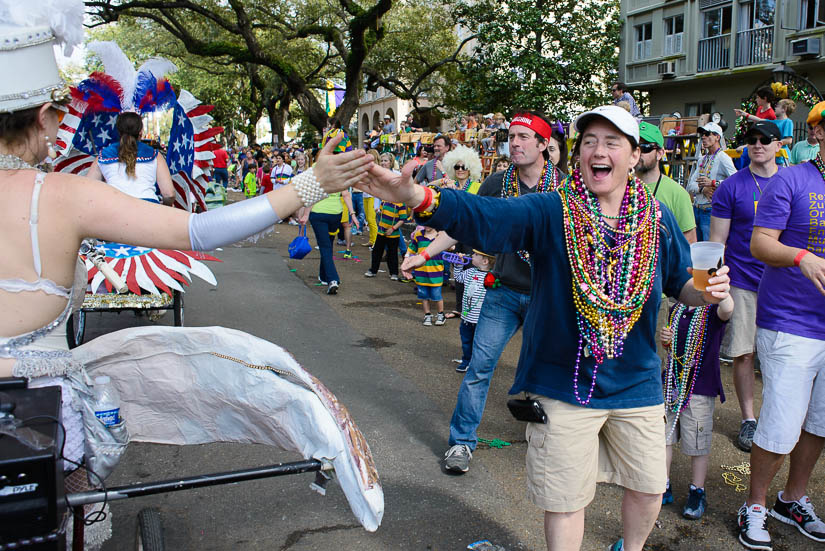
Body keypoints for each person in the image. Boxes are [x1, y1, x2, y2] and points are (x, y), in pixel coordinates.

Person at [0, 11, 375, 543]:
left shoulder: (78, 180)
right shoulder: (60, 197)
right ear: (41, 116)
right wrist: (308, 186)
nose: (59, 129)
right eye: (57, 117)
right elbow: (199, 230)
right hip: (40, 422)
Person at [355, 104, 732, 551]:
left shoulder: (659, 220)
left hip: (637, 381)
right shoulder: (553, 211)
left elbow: (681, 284)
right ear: (576, 155)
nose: (598, 150)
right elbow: (490, 219)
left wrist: (704, 292)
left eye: (612, 142)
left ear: (634, 156)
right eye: (589, 141)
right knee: (566, 499)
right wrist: (419, 198)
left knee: (650, 486)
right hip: (564, 381)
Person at [400, 110, 563, 474]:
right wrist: (424, 253)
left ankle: (552, 447)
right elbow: (461, 224)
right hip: (502, 293)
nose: (515, 143)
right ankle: (461, 443)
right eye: (512, 136)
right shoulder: (496, 183)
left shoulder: (565, 189)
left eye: (524, 137)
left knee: (547, 375)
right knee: (479, 367)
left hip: (546, 297)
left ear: (543, 144)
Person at [737, 101, 825, 551]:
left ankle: (792, 500)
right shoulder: (794, 179)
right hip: (791, 320)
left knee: (820, 422)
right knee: (781, 424)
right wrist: (801, 255)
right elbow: (759, 243)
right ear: (819, 134)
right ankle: (754, 504)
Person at [710, 120, 782, 453]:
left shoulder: (790, 182)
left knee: (780, 356)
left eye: (764, 139)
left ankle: (779, 418)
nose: (757, 145)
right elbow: (716, 242)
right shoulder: (732, 187)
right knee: (744, 352)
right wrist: (709, 288)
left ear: (778, 144)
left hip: (784, 284)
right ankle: (749, 419)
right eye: (751, 140)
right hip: (742, 280)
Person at [660, 297, 732, 520]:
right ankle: (662, 484)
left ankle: (697, 490)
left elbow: (728, 310)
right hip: (671, 383)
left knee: (698, 442)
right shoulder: (676, 309)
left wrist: (722, 291)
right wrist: (666, 339)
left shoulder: (713, 310)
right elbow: (669, 348)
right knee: (663, 437)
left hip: (699, 388)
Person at [86, 113, 175, 205]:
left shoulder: (102, 156)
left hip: (113, 208)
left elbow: (88, 189)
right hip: (148, 209)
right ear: (140, 131)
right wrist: (165, 208)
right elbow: (169, 193)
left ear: (119, 131)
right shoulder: (155, 155)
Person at [636, 122, 697, 242]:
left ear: (660, 153)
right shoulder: (619, 189)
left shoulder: (678, 194)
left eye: (644, 148)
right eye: (633, 147)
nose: (637, 153)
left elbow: (689, 243)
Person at [686, 122, 736, 241]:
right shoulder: (702, 159)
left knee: (710, 250)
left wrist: (714, 183)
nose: (703, 137)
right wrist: (703, 189)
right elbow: (689, 185)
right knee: (695, 249)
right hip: (696, 209)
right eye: (702, 134)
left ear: (717, 137)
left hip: (710, 211)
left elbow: (736, 181)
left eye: (707, 134)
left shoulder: (723, 157)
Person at [453, 250, 495, 372]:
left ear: (485, 261)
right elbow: (458, 277)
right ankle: (467, 360)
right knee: (466, 341)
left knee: (480, 344)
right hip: (466, 317)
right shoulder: (470, 271)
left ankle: (482, 362)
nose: (472, 256)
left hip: (481, 319)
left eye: (476, 255)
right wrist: (458, 264)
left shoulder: (491, 276)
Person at [407, 226, 446, 326]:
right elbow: (413, 246)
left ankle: (441, 314)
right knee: (424, 295)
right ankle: (427, 314)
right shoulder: (418, 234)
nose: (427, 225)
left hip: (436, 272)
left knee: (437, 296)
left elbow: (450, 247)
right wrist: (407, 256)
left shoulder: (440, 236)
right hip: (421, 272)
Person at [364, 197, 409, 280]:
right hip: (381, 232)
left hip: (393, 234)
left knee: (392, 253)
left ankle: (394, 273)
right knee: (377, 251)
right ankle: (373, 270)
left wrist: (393, 229)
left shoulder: (400, 204)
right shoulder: (384, 201)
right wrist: (379, 212)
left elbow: (402, 219)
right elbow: (381, 212)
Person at [773, 99, 796, 163]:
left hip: (782, 157)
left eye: (777, 106)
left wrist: (775, 144)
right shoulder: (774, 122)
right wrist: (746, 115)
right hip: (773, 155)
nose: (775, 108)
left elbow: (789, 140)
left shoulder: (788, 122)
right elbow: (761, 120)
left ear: (784, 109)